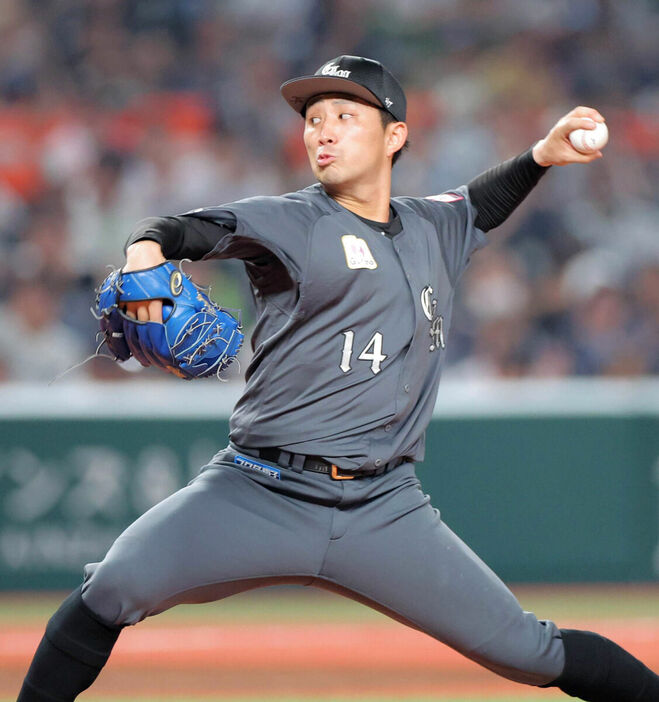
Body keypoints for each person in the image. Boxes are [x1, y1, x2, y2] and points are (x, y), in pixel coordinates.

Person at [18, 55, 658, 702]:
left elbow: (477, 203)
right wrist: (144, 250)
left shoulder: (433, 226)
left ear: (394, 135)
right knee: (110, 589)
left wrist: (541, 157)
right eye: (313, 118)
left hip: (385, 509)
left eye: (345, 116)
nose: (321, 130)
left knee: (529, 650)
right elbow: (177, 229)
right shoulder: (293, 220)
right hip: (257, 491)